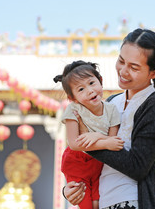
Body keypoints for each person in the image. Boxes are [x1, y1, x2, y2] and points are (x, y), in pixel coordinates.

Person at [63, 28, 155, 209]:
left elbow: (138, 166)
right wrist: (71, 187)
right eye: (121, 61)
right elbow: (89, 157)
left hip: (133, 201)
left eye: (134, 67)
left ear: (154, 73)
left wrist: (89, 143)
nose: (123, 71)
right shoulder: (112, 102)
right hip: (102, 200)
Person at [54, 60, 125, 209]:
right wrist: (104, 141)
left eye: (92, 83)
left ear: (100, 81)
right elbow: (74, 143)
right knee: (85, 204)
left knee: (97, 202)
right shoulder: (73, 110)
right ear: (73, 98)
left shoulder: (112, 109)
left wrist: (96, 137)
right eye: (81, 89)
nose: (90, 90)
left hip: (99, 161)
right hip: (77, 162)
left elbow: (113, 140)